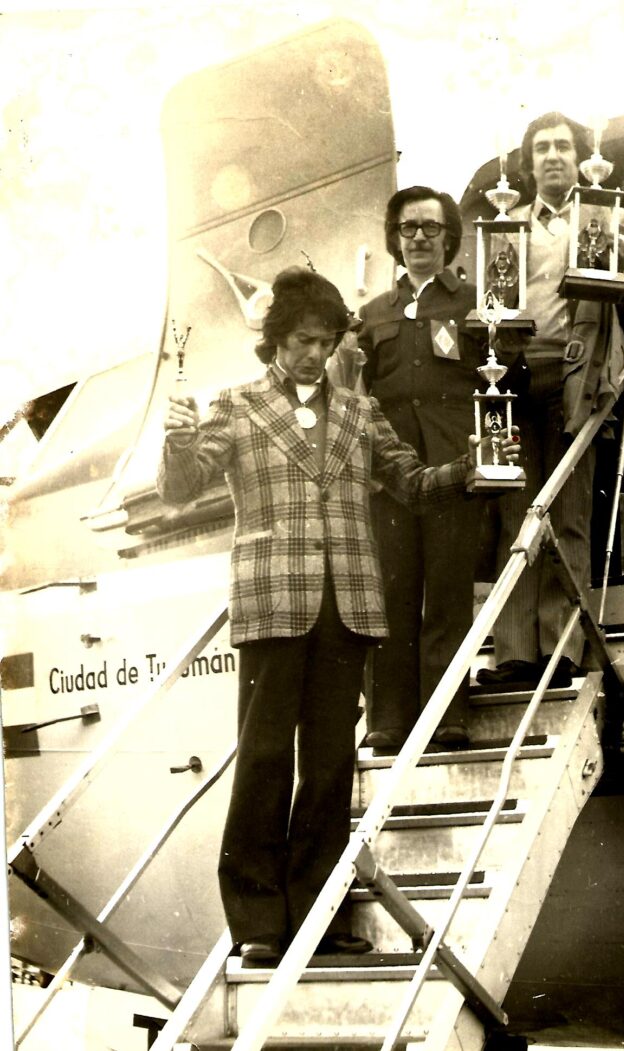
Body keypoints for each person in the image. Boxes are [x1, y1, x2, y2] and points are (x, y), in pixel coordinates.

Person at [157, 266, 520, 966]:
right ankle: (258, 921)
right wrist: (175, 439)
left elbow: (412, 483)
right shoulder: (235, 405)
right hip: (273, 605)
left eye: (324, 343)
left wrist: (468, 469)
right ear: (274, 340)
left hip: (347, 608)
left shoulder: (359, 411)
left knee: (328, 770)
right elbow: (182, 488)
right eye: (301, 341)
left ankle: (318, 918)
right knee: (264, 762)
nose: (313, 355)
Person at [477, 112, 624, 689]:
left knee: (568, 516)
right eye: (542, 148)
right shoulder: (507, 226)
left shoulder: (607, 217)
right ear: (528, 163)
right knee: (516, 513)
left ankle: (561, 648)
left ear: (578, 158)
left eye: (563, 146)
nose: (553, 156)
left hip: (580, 377)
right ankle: (516, 653)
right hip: (516, 377)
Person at [359, 185, 522, 751]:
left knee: (448, 595)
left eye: (432, 227)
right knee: (394, 594)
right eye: (409, 227)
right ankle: (389, 718)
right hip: (390, 478)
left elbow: (505, 381)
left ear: (449, 238)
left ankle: (447, 714)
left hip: (454, 471)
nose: (420, 237)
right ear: (395, 238)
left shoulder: (479, 304)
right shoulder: (372, 315)